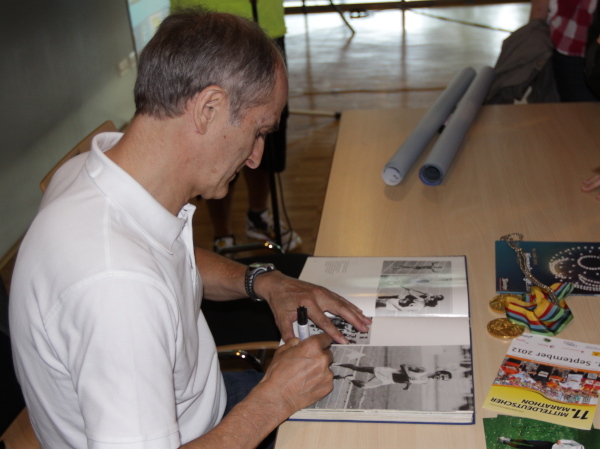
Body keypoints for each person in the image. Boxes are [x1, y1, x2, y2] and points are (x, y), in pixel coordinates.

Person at [9, 10, 371, 449]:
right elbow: (135, 281)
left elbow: (169, 259)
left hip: (205, 408)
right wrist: (275, 399)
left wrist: (264, 282)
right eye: (259, 131)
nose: (256, 157)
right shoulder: (117, 287)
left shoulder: (96, 173)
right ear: (208, 109)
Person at [171, 0, 301, 253]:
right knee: (217, 143)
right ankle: (223, 235)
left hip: (267, 26)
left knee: (262, 132)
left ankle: (258, 214)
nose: (254, 156)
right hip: (209, 35)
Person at [530, 0, 599, 101]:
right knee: (578, 101)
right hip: (573, 45)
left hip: (572, 44)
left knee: (577, 102)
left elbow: (539, 9)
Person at [333, 363, 452, 390]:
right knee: (357, 368)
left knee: (362, 386)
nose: (440, 379)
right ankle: (337, 364)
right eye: (442, 376)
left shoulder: (426, 382)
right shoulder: (423, 370)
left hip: (387, 380)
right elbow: (404, 365)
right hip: (387, 372)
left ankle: (349, 377)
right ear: (440, 372)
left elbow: (412, 380)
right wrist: (408, 375)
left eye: (443, 380)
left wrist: (408, 385)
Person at [498, 436, 584, 449]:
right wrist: (561, 441)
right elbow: (571, 441)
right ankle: (510, 439)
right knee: (528, 442)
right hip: (551, 445)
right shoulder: (580, 447)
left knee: (523, 447)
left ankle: (504, 442)